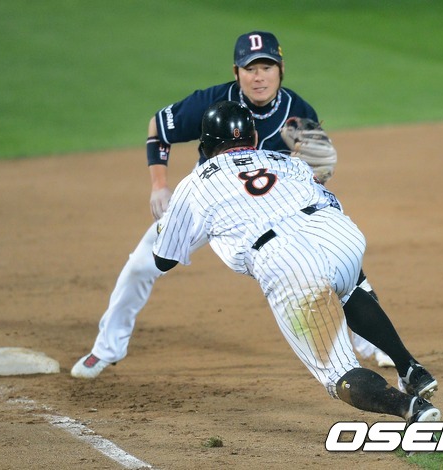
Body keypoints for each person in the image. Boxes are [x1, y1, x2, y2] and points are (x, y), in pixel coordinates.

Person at [72, 30, 391, 379]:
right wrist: (159, 186)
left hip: (269, 215)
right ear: (236, 72)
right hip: (208, 204)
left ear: (281, 70)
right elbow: (159, 127)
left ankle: (375, 346)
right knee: (141, 265)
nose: (259, 77)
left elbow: (311, 174)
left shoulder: (298, 111)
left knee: (336, 262)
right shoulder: (212, 101)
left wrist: (318, 179)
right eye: (250, 69)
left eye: (267, 68)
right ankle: (106, 348)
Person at [152, 101, 440, 426]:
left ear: (205, 146)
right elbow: (328, 200)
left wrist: (168, 222)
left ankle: (412, 408)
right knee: (343, 288)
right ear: (253, 137)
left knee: (339, 374)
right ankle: (411, 369)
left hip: (288, 263)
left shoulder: (194, 184)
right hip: (339, 235)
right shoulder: (283, 160)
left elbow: (163, 260)